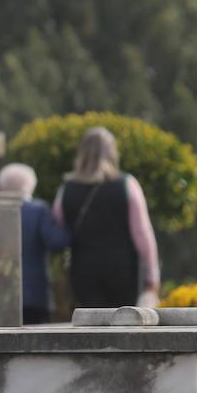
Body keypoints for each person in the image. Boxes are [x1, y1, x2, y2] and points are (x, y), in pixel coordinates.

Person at [53, 126, 160, 309]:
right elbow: (142, 234)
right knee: (124, 324)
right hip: (123, 269)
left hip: (83, 269)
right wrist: (152, 275)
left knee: (92, 327)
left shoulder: (66, 189)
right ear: (112, 152)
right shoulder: (127, 184)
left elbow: (58, 228)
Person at [0, 162, 71, 325]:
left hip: (0, 295)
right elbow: (57, 241)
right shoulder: (38, 210)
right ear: (30, 184)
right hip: (35, 293)